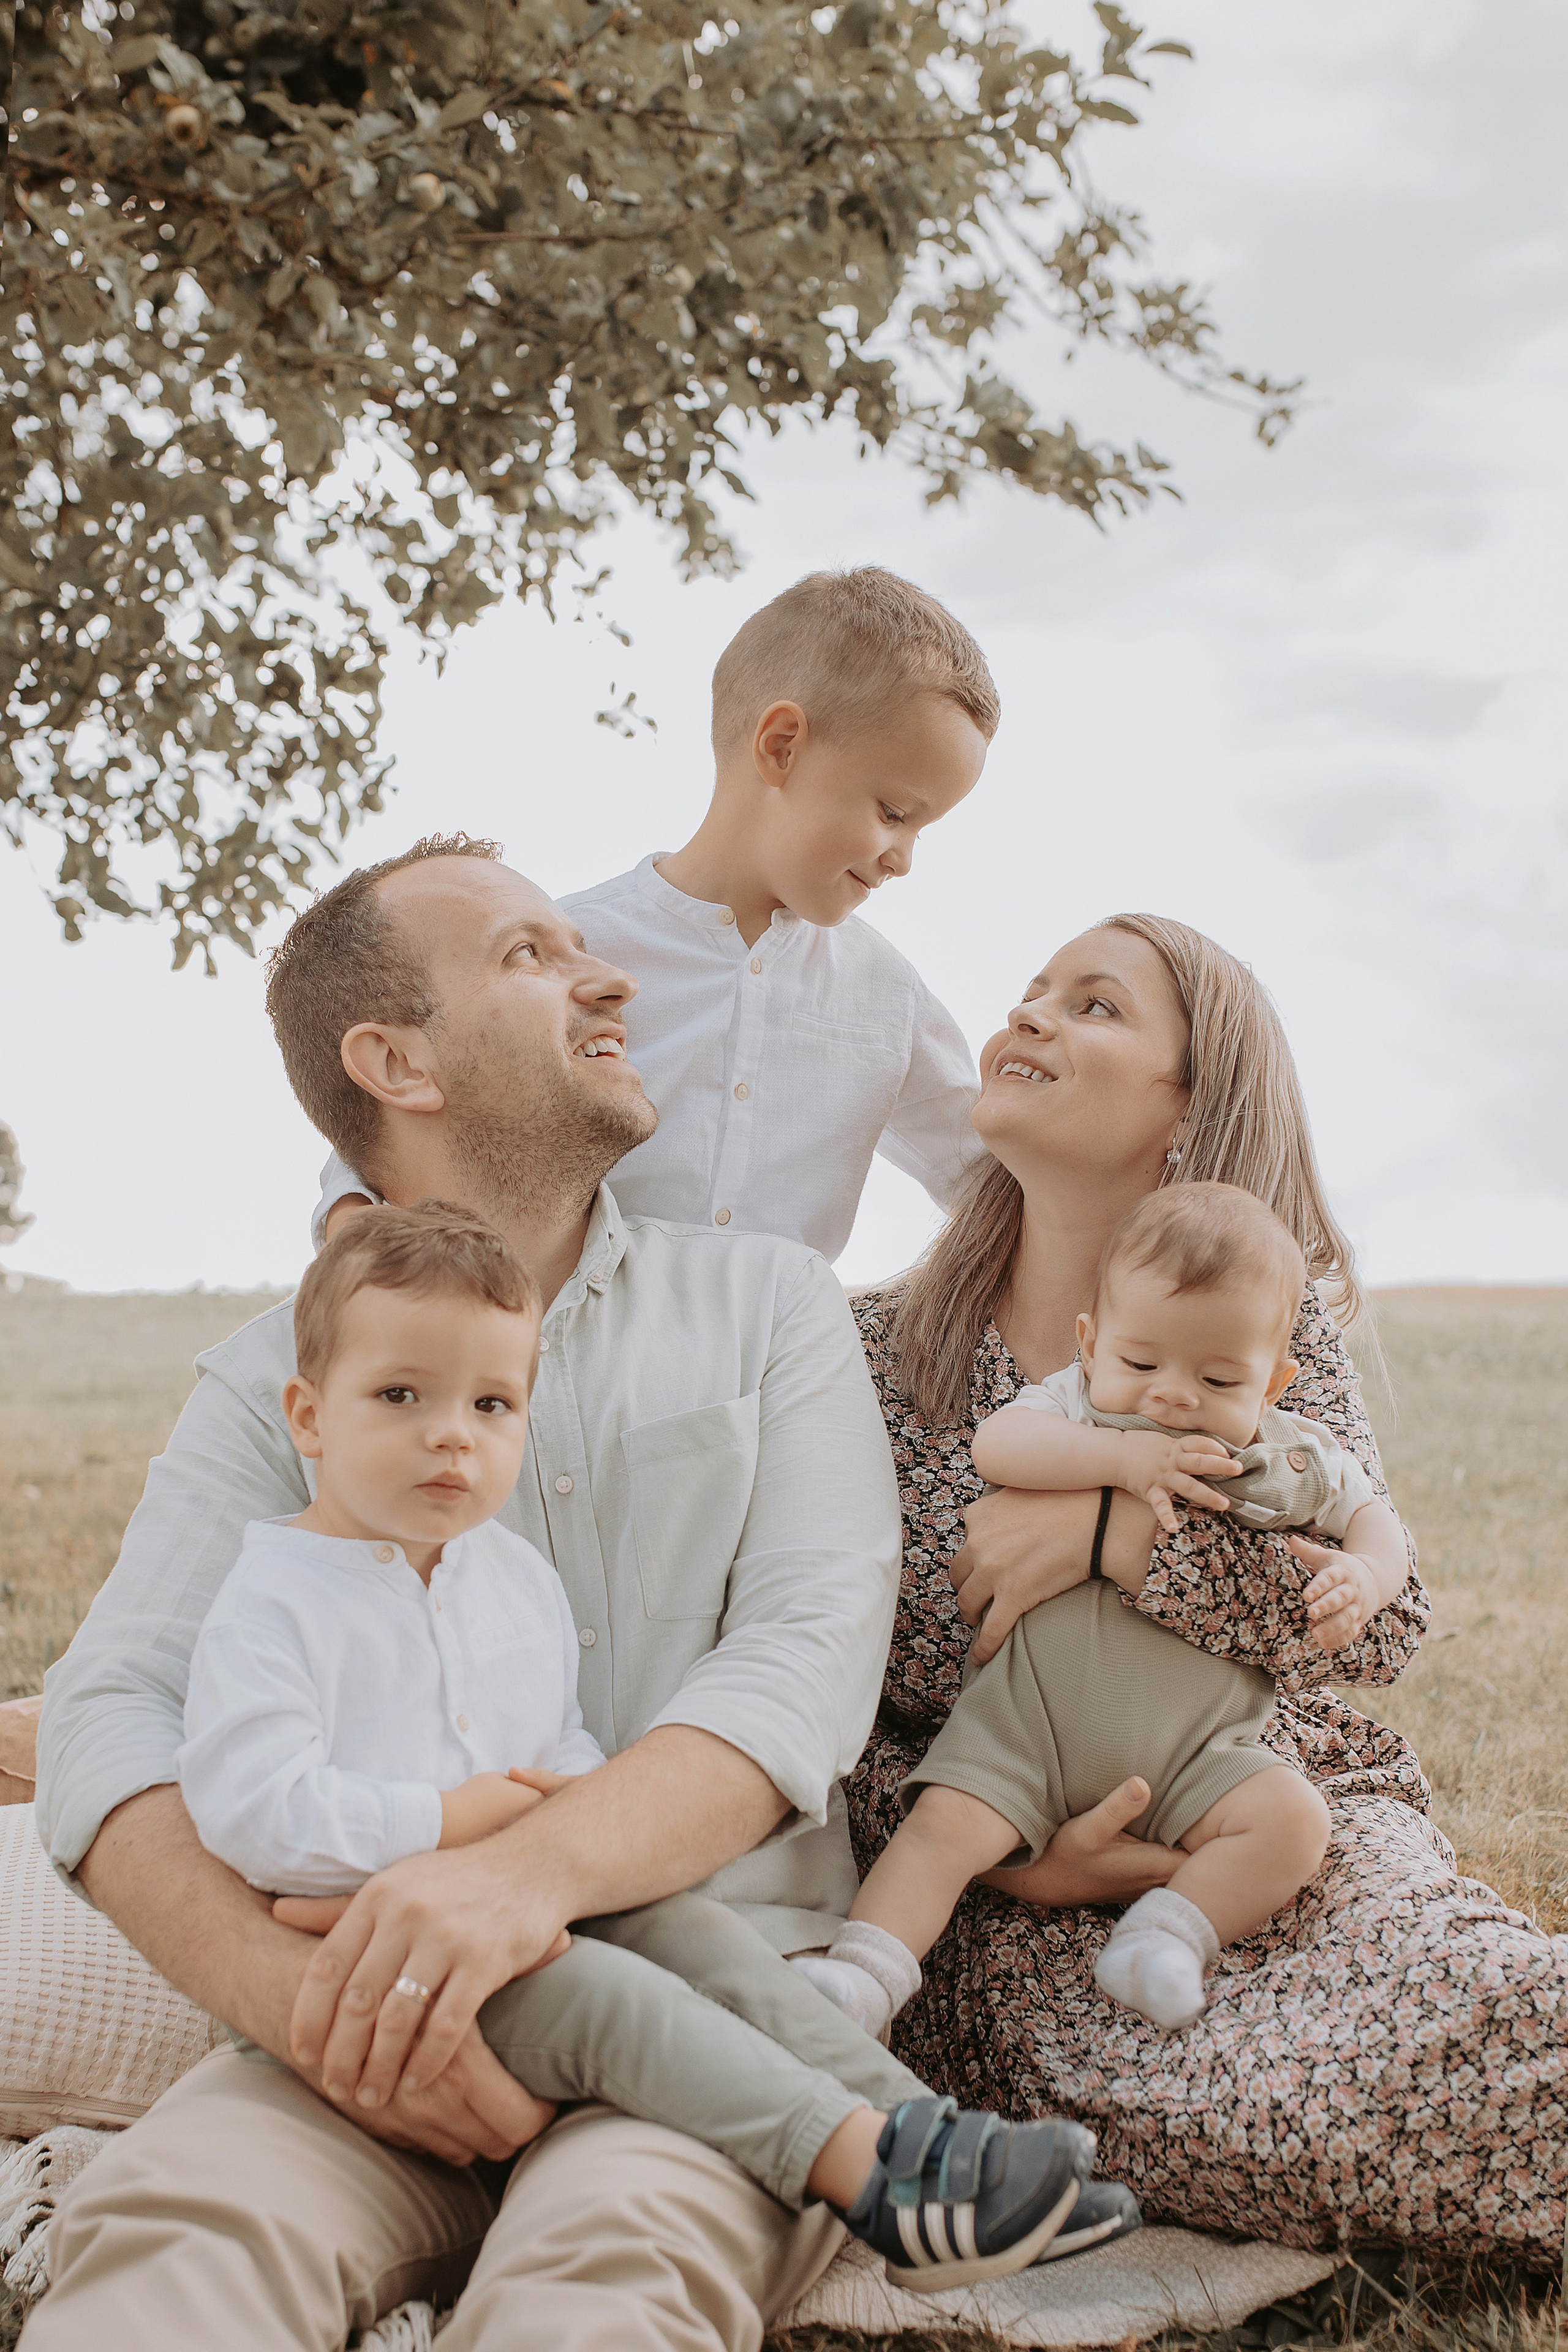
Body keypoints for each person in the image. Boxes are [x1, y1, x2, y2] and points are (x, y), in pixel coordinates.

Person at [27, 840, 1135, 2352]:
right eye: (531, 956)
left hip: (718, 2026)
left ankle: (890, 2162)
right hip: (356, 2014)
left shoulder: (766, 1309)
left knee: (605, 2291)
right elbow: (107, 1717)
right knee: (175, 2250)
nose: (608, 974)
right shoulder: (262, 1389)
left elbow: (802, 1660)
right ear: (391, 1058)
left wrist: (517, 1876)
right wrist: (310, 2010)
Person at [176, 1197, 1102, 2292]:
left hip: (531, 1907)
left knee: (699, 1943)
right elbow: (250, 1805)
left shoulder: (503, 1574)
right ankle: (875, 2182)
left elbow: (557, 1737)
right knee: (619, 2003)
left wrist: (561, 1812)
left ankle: (937, 2137)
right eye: (400, 1397)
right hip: (383, 1955)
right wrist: (450, 1825)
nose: (451, 1434)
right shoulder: (272, 1599)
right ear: (308, 1414)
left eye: (491, 1404)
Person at [842, 911, 1568, 2263]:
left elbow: (1380, 1617)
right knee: (1291, 2109)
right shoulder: (874, 1356)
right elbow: (817, 1696)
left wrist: (1115, 1533)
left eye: (1095, 1006)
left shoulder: (1261, 1332)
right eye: (1030, 993)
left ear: (1186, 1111)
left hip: (1274, 1818)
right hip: (1014, 1909)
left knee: (1502, 2007)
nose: (1031, 1016)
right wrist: (1013, 1861)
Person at [799, 1184, 1409, 2040]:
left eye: (1219, 1377)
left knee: (1293, 1822)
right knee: (941, 1831)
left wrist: (1366, 1578)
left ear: (1273, 1382)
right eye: (1141, 1363)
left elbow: (1377, 1522)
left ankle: (1167, 1936)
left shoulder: (1289, 1451)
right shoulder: (1080, 1405)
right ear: (1091, 1345)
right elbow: (998, 1445)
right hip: (1026, 1730)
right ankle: (862, 1978)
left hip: (1196, 1754)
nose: (1172, 1397)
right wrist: (1125, 1464)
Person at [311, 567, 993, 1259]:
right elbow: (400, 1119)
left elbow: (987, 1175)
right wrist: (357, 1230)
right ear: (781, 746)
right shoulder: (567, 958)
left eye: (920, 830)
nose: (902, 858)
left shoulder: (887, 993)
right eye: (893, 813)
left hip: (778, 1363)